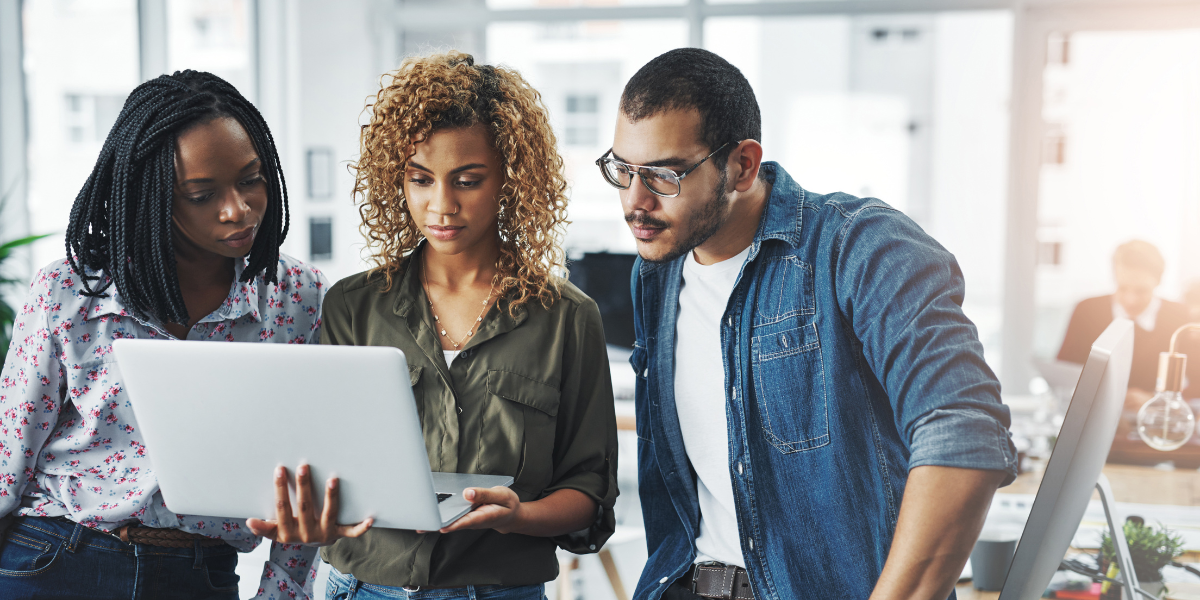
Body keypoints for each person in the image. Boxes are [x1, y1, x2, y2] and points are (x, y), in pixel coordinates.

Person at [601, 48, 1017, 599]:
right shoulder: (656, 272)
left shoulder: (861, 249)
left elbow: (962, 426)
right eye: (623, 170)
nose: (635, 201)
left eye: (664, 176)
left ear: (743, 165)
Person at [0, 70, 366, 600]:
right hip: (56, 556)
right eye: (201, 194)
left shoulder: (299, 298)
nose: (237, 210)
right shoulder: (70, 291)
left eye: (251, 179)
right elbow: (9, 456)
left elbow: (315, 463)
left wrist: (281, 589)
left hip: (200, 574)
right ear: (151, 199)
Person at [315, 51, 619, 599]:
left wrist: (518, 515)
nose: (441, 206)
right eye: (420, 179)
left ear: (510, 179)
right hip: (366, 587)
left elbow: (589, 490)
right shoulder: (352, 308)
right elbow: (319, 461)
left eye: (467, 180)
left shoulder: (568, 319)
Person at [1058, 240, 1190, 407]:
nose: (1131, 300)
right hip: (1093, 410)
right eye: (1122, 288)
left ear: (1158, 282)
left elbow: (1196, 381)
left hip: (1155, 418)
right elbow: (1064, 371)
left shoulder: (1179, 316)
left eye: (1141, 291)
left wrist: (1154, 399)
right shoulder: (1086, 311)